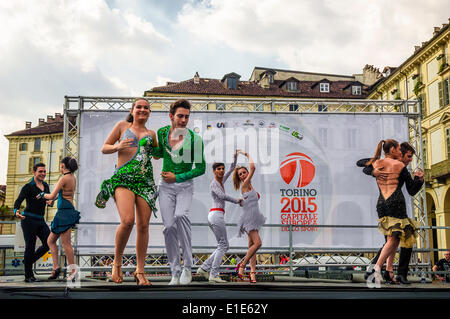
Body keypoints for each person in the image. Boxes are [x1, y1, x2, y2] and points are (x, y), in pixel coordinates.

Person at [95, 98, 158, 285]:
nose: (142, 110)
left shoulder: (151, 134)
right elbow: (104, 148)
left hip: (145, 182)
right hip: (123, 179)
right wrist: (117, 146)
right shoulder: (122, 126)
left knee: (144, 225)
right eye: (139, 107)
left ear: (149, 112)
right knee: (128, 220)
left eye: (146, 108)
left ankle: (140, 271)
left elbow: (156, 154)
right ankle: (117, 264)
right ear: (132, 110)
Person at [152, 99, 206, 285]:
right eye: (180, 116)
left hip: (184, 186)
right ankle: (174, 271)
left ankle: (187, 268)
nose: (184, 120)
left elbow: (200, 169)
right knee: (168, 228)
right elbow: (159, 153)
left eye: (187, 117)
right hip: (165, 187)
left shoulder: (196, 140)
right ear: (171, 116)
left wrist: (177, 177)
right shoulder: (162, 132)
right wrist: (148, 144)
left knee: (181, 215)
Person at [357, 142, 424, 284]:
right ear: (395, 150)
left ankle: (389, 271)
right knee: (397, 238)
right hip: (395, 203)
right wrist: (418, 179)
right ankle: (376, 269)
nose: (409, 159)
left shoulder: (378, 162)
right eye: (407, 155)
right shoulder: (399, 166)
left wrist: (373, 171)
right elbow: (412, 190)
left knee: (392, 239)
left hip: (382, 203)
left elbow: (362, 163)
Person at [197, 150, 243, 283]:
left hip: (216, 215)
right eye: (219, 169)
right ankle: (213, 274)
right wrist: (237, 201)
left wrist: (234, 158)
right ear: (214, 171)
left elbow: (231, 169)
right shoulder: (214, 184)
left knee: (223, 245)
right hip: (216, 215)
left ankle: (204, 268)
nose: (222, 171)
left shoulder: (221, 181)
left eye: (222, 168)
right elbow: (222, 196)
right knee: (223, 245)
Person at [37, 157, 80, 281]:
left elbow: (51, 194)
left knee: (66, 244)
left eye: (60, 166)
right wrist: (52, 200)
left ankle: (73, 272)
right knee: (50, 241)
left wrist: (42, 195)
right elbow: (63, 194)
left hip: (64, 213)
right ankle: (56, 267)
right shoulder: (72, 177)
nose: (59, 168)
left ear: (63, 166)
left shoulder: (63, 178)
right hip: (64, 211)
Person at [14, 163, 52, 282]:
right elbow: (18, 201)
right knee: (30, 247)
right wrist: (16, 211)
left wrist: (50, 202)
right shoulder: (28, 186)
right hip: (28, 220)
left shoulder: (46, 186)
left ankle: (28, 261)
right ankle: (28, 275)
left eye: (44, 171)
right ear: (34, 172)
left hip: (40, 220)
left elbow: (48, 200)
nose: (43, 174)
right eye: (40, 171)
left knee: (49, 243)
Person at [232, 151, 266, 283]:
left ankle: (252, 274)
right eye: (240, 174)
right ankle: (242, 265)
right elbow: (253, 167)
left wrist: (242, 203)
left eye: (243, 173)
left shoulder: (249, 186)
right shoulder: (245, 184)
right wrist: (246, 154)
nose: (242, 175)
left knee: (252, 246)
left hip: (254, 216)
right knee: (258, 243)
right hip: (249, 218)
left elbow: (249, 202)